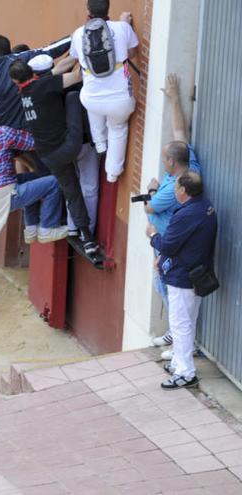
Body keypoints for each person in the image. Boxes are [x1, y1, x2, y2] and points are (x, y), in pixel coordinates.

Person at [9, 59, 102, 257]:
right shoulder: (44, 85)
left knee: (72, 193)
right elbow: (76, 76)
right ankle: (87, 235)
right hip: (70, 146)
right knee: (73, 96)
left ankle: (85, 236)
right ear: (33, 74)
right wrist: (83, 57)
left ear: (16, 82)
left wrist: (74, 55)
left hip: (48, 157)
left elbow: (56, 72)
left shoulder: (25, 93)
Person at [145, 74, 203, 357]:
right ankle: (175, 335)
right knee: (166, 290)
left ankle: (183, 344)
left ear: (171, 162)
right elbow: (180, 131)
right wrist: (173, 98)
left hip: (170, 245)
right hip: (169, 244)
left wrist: (151, 190)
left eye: (165, 156)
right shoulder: (188, 160)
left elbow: (150, 207)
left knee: (172, 293)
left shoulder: (171, 188)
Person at [147, 172, 217, 390]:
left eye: (176, 187)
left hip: (183, 277)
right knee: (189, 320)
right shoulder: (205, 205)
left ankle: (186, 373)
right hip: (197, 273)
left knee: (180, 324)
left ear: (183, 191)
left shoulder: (186, 214)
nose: (174, 191)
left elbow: (168, 245)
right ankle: (178, 362)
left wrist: (153, 235)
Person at [0, 103, 67, 243]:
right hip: (6, 195)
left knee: (33, 178)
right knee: (55, 182)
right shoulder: (2, 132)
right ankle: (48, 228)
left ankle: (31, 227)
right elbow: (33, 143)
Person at [69, 0, 138, 182]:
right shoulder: (122, 27)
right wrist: (125, 25)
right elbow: (132, 54)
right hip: (120, 101)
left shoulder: (78, 34)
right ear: (109, 9)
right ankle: (113, 172)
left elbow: (75, 57)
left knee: (92, 100)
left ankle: (99, 141)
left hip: (92, 100)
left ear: (88, 12)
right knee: (118, 128)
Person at [0, 33, 71, 129]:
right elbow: (52, 50)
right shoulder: (22, 58)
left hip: (7, 136)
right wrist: (76, 36)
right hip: (33, 130)